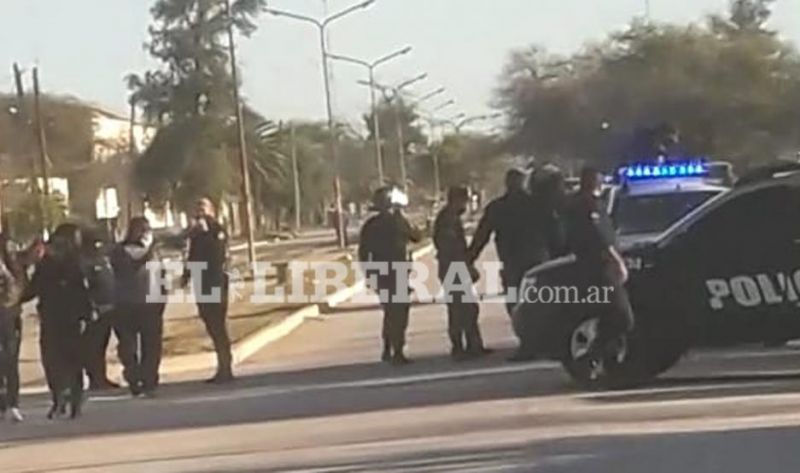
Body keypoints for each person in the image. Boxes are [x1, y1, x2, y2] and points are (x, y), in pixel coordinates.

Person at [468, 169, 552, 361]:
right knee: (537, 303)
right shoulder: (536, 204)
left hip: (514, 264)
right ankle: (537, 343)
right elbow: (554, 231)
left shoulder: (498, 207)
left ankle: (528, 343)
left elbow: (481, 236)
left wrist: (469, 258)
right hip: (537, 263)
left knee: (516, 304)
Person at [564, 166, 633, 379]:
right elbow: (599, 237)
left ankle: (608, 365)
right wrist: (617, 261)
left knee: (607, 316)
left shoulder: (579, 204)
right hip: (600, 269)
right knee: (623, 317)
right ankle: (590, 359)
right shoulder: (588, 205)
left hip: (591, 268)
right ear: (595, 181)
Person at [24, 224, 92, 419]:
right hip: (66, 318)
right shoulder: (75, 261)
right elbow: (85, 291)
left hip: (55, 317)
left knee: (56, 361)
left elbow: (33, 288)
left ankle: (62, 399)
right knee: (70, 360)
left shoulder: (52, 262)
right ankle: (70, 400)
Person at [358, 187, 422, 365]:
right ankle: (397, 350)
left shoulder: (370, 225)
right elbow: (416, 236)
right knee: (399, 313)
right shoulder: (398, 221)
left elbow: (363, 254)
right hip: (397, 273)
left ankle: (388, 348)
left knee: (389, 311)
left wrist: (369, 275)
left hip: (381, 274)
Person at [112, 217, 167, 397]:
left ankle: (148, 379)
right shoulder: (120, 252)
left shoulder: (154, 251)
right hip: (127, 304)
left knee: (151, 345)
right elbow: (128, 268)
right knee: (129, 346)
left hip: (150, 303)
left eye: (147, 229)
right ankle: (135, 377)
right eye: (141, 230)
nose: (144, 233)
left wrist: (163, 296)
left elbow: (162, 276)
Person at [434, 186, 490, 360]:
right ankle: (460, 347)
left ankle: (472, 344)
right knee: (460, 309)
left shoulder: (450, 218)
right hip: (453, 269)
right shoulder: (447, 219)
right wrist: (466, 267)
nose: (465, 205)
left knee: (466, 308)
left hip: (454, 267)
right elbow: (452, 248)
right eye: (464, 200)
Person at [182, 198, 233, 384]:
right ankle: (221, 366)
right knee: (209, 322)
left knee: (218, 324)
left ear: (211, 210)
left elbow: (219, 254)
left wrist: (207, 232)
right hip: (201, 282)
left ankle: (226, 367)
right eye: (198, 209)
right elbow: (192, 256)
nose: (200, 212)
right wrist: (186, 276)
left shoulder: (217, 230)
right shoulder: (196, 234)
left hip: (216, 282)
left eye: (203, 208)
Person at [81, 229, 120, 391]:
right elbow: (85, 288)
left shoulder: (103, 260)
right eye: (95, 244)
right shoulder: (84, 262)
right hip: (96, 310)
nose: (99, 247)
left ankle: (101, 377)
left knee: (101, 345)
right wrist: (92, 306)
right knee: (93, 347)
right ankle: (95, 379)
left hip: (109, 308)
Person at [0, 235, 25, 422]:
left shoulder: (9, 257)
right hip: (8, 312)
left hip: (7, 314)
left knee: (10, 359)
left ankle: (12, 404)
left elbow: (18, 285)